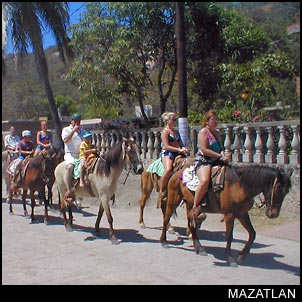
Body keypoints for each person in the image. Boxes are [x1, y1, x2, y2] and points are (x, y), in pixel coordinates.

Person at [189, 110, 230, 222]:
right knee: (205, 180)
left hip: (217, 160)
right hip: (204, 161)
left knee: (231, 176)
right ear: (207, 121)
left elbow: (221, 148)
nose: (216, 121)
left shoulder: (216, 133)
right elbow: (204, 149)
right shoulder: (203, 132)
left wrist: (224, 154)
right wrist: (220, 156)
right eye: (213, 119)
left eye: (217, 119)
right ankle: (195, 207)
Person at [158, 112, 189, 205]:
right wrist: (179, 150)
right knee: (168, 169)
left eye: (176, 120)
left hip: (177, 152)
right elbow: (166, 146)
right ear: (167, 121)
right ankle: (162, 190)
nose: (175, 121)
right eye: (173, 120)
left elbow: (181, 144)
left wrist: (184, 148)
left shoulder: (176, 132)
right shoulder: (165, 132)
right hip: (168, 153)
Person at [61, 113, 86, 199]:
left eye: (78, 121)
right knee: (70, 167)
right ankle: (69, 189)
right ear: (72, 121)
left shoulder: (83, 131)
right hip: (70, 154)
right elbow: (65, 139)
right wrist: (73, 131)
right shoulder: (66, 130)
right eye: (75, 121)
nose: (77, 123)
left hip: (81, 154)